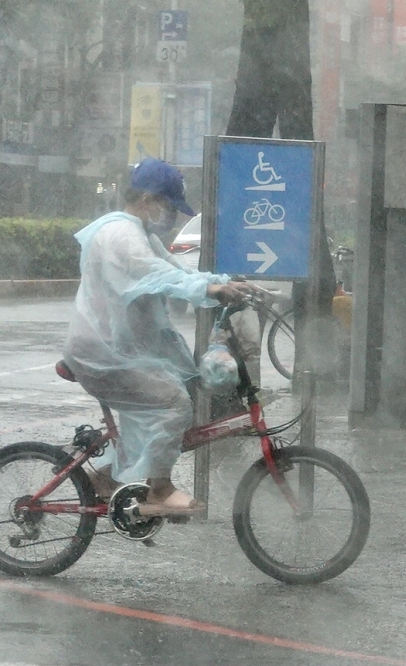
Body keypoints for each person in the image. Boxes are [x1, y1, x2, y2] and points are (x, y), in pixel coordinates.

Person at [63, 158, 255, 514]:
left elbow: (177, 269)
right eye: (167, 205)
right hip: (102, 352)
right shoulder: (120, 235)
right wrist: (210, 290)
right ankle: (158, 488)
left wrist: (224, 281)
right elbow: (157, 275)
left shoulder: (140, 234)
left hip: (120, 349)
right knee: (172, 402)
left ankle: (110, 480)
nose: (169, 214)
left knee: (178, 401)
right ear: (148, 199)